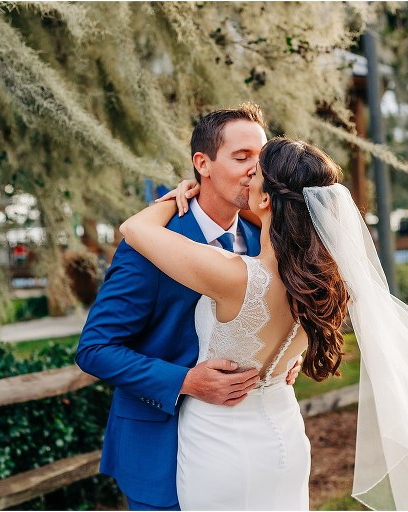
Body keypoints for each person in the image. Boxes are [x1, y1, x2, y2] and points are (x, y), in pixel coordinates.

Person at [121, 136, 408, 510]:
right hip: (283, 438)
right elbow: (286, 223)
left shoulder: (233, 275)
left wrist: (182, 194)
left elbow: (133, 228)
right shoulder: (325, 281)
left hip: (221, 447)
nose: (247, 178)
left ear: (268, 199)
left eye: (256, 176)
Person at [75, 103, 301, 511]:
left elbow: (272, 317)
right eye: (240, 157)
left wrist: (281, 357)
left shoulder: (262, 237)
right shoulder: (150, 242)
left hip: (243, 454)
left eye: (260, 157)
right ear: (203, 163)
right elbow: (94, 349)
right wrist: (185, 381)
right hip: (159, 448)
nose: (255, 168)